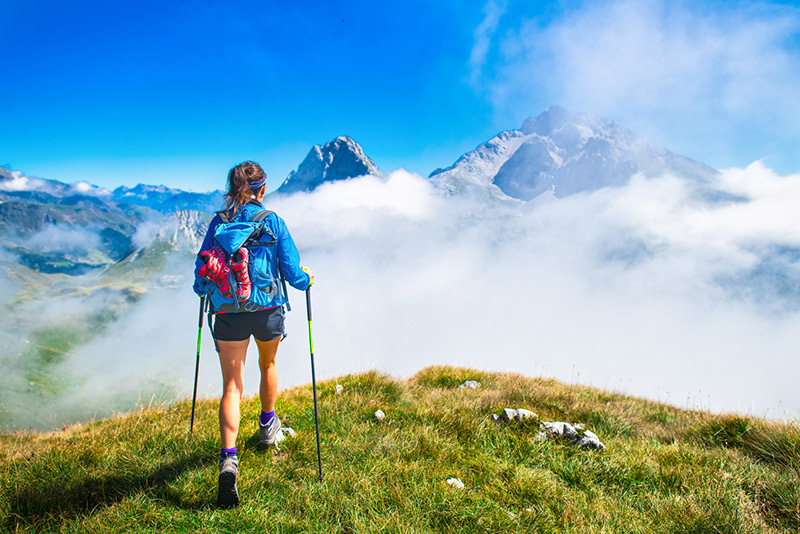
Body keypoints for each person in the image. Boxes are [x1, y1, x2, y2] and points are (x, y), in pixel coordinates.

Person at [193, 160, 313, 508]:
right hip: (266, 310)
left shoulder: (219, 222)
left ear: (231, 189)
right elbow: (292, 272)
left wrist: (203, 290)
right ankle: (267, 426)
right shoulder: (273, 221)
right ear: (263, 188)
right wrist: (308, 280)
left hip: (228, 313)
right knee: (268, 365)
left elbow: (202, 275)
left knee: (231, 386)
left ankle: (229, 459)